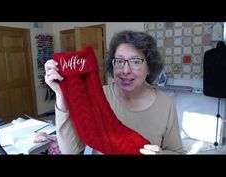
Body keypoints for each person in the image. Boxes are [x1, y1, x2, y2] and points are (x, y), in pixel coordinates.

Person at [44, 30, 183, 154]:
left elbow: (176, 151)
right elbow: (70, 151)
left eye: (135, 62)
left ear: (149, 67)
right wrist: (61, 94)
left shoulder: (166, 104)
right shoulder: (97, 97)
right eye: (119, 61)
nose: (125, 70)